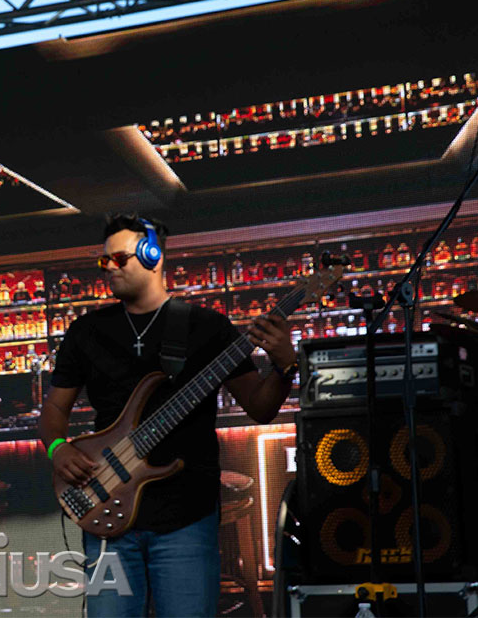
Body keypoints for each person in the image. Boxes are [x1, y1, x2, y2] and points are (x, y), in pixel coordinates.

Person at [39, 215, 297, 618]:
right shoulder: (87, 331)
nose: (109, 268)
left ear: (153, 255)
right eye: (104, 261)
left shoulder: (207, 327)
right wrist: (58, 448)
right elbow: (54, 408)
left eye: (119, 258)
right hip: (105, 508)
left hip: (186, 516)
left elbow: (260, 408)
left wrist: (284, 367)